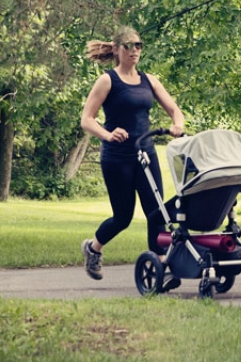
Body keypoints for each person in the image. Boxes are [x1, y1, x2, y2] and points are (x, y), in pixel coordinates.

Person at [79, 27, 185, 282]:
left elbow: (174, 109)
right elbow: (87, 120)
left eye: (138, 45)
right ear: (116, 49)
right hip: (117, 158)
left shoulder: (149, 80)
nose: (135, 50)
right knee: (123, 217)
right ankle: (93, 249)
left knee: (156, 212)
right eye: (129, 45)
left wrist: (178, 125)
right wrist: (107, 134)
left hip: (145, 155)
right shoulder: (108, 81)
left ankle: (159, 267)